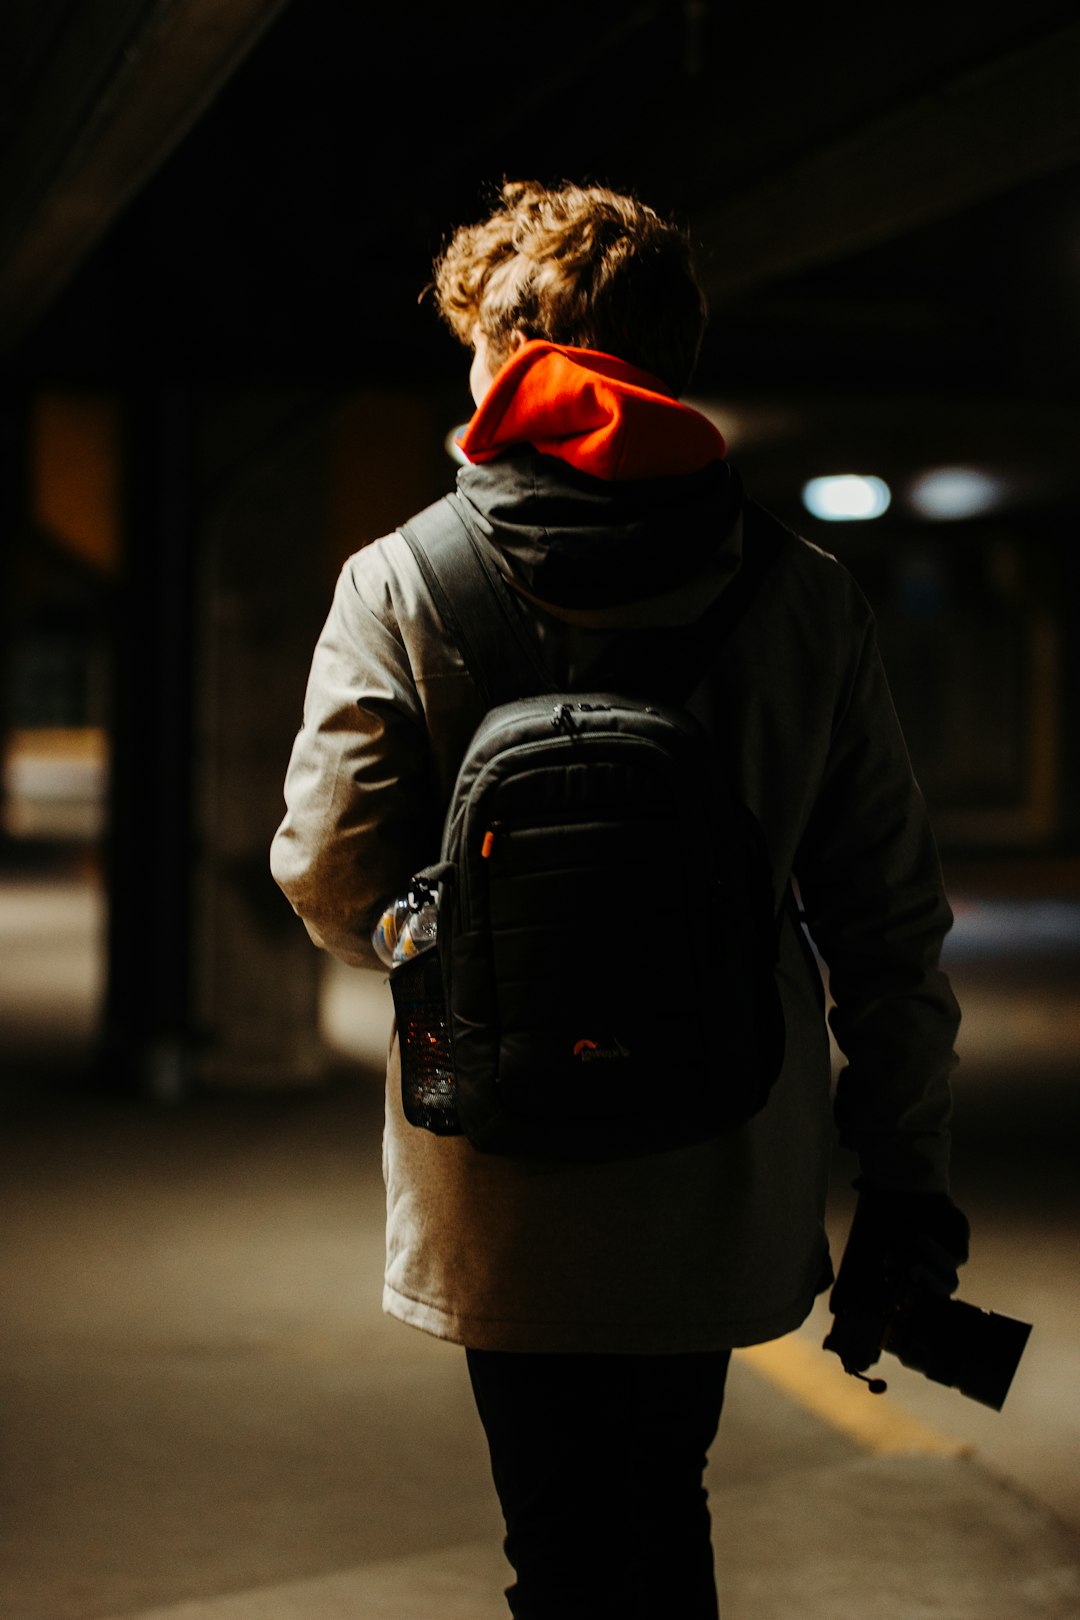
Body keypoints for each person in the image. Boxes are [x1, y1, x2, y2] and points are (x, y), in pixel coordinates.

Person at [270, 180, 967, 1619]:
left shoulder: (397, 582)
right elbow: (888, 922)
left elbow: (334, 874)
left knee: (557, 1530)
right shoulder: (804, 597)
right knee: (663, 1497)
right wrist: (905, 1175)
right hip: (718, 1152)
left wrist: (447, 939)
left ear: (509, 352)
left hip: (503, 1162)